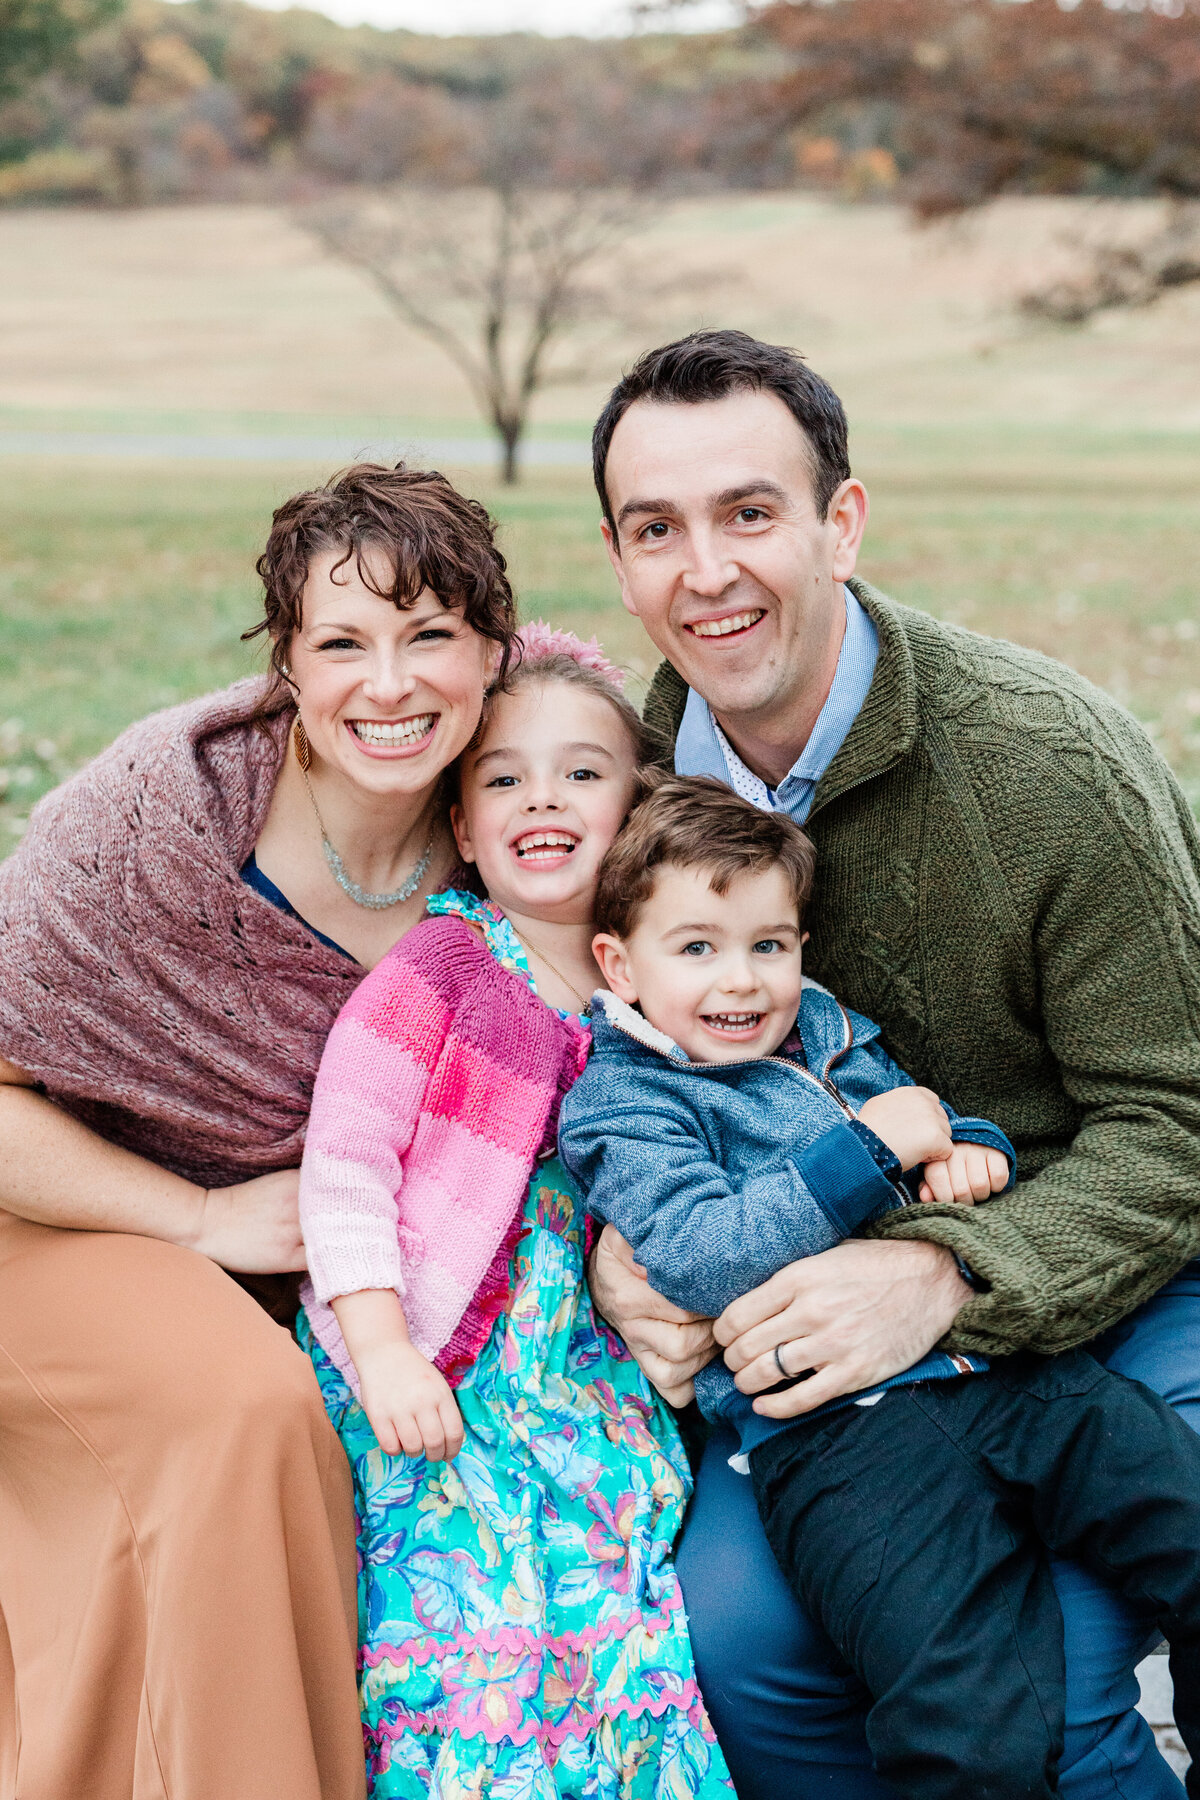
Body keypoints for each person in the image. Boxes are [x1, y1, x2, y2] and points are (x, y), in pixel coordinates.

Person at [585, 329, 1200, 1799]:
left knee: (1044, 1688)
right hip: (824, 1352)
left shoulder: (1049, 768)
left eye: (749, 513)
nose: (706, 572)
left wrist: (949, 1274)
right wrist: (616, 1254)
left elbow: (1179, 1120)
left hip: (1128, 1267)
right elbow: (567, 1064)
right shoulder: (625, 786)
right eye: (655, 529)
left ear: (840, 523)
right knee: (739, 1653)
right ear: (618, 562)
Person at [0, 462, 520, 1800]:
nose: (389, 685)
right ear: (283, 664)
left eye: (430, 635)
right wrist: (199, 1216)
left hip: (346, 1259)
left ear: (494, 648)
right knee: (256, 1413)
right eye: (342, 642)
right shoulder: (153, 828)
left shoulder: (529, 807)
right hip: (64, 1214)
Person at [560, 774, 1200, 1800]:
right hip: (843, 1437)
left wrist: (969, 1152)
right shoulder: (625, 1100)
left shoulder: (822, 1027)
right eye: (698, 948)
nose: (744, 981)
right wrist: (866, 1149)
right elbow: (702, 1253)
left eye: (770, 944)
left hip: (995, 1365)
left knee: (1186, 1519)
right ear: (617, 963)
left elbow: (923, 1116)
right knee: (966, 1716)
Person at [296, 630, 731, 1799]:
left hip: (595, 1392)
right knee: (469, 1670)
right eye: (504, 777)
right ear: (461, 824)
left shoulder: (660, 989)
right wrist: (382, 1351)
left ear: (639, 809)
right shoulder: (439, 972)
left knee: (623, 1651)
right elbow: (345, 1167)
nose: (543, 797)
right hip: (440, 1377)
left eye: (584, 772)